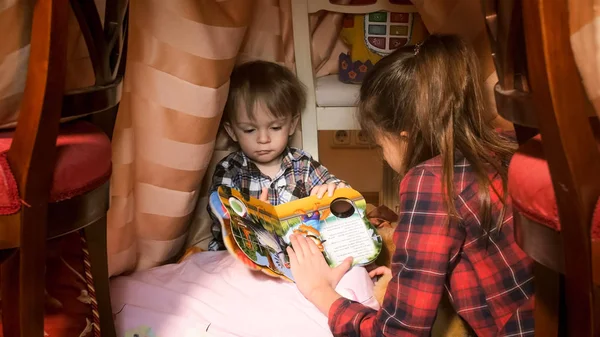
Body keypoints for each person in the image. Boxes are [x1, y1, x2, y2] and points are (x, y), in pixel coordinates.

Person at [286, 34, 535, 336]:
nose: (382, 154)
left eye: (379, 144)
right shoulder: (504, 144)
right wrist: (409, 279)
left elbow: (397, 334)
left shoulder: (431, 181)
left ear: (404, 135)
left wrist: (319, 291)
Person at [208, 60, 346, 251]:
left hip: (295, 258)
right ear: (232, 132)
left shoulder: (303, 166)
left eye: (275, 127)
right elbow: (218, 219)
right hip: (242, 258)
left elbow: (340, 193)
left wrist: (334, 191)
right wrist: (250, 219)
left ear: (291, 125)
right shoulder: (230, 170)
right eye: (249, 130)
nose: (263, 139)